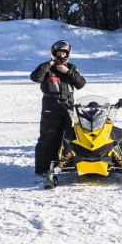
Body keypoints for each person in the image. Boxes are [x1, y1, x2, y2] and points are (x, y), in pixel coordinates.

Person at [30, 40, 86, 175]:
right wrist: (49, 64)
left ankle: (63, 165)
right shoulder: (47, 67)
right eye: (59, 53)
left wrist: (67, 72)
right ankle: (43, 169)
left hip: (67, 106)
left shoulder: (71, 68)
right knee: (48, 137)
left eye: (64, 53)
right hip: (51, 105)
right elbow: (35, 77)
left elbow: (81, 83)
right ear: (54, 53)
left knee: (66, 137)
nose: (61, 56)